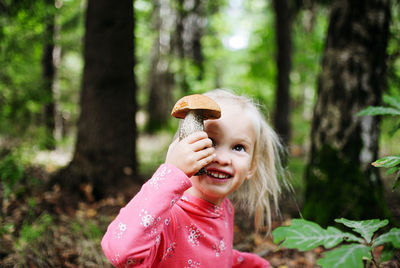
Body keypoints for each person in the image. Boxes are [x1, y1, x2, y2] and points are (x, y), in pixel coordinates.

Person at [101, 89, 286, 267]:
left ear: (252, 167)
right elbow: (120, 251)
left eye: (238, 147)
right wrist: (172, 172)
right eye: (210, 142)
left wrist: (249, 264)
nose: (221, 159)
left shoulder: (225, 209)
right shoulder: (170, 217)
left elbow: (208, 255)